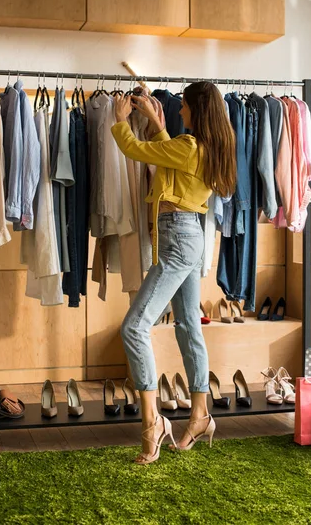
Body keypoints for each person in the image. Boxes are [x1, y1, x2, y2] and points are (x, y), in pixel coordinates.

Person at [112, 81, 236, 464]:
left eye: (183, 106)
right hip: (188, 234)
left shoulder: (189, 146)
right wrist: (154, 120)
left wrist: (120, 122)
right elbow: (171, 160)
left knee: (134, 326)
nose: (180, 111)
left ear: (197, 110)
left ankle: (153, 423)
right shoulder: (204, 148)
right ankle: (199, 414)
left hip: (178, 238)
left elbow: (136, 150)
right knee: (188, 326)